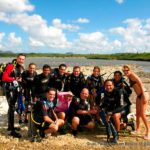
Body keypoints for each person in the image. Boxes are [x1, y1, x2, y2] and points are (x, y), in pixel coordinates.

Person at [122, 65, 150, 139]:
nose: (125, 72)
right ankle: (138, 130)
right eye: (124, 71)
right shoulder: (129, 76)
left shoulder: (133, 75)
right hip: (139, 96)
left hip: (143, 94)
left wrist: (143, 95)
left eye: (127, 70)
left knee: (143, 114)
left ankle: (148, 132)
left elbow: (140, 84)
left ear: (130, 70)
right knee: (137, 114)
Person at [2, 53, 26, 138]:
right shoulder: (10, 66)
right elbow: (4, 78)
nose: (21, 60)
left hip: (15, 89)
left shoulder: (21, 67)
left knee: (11, 107)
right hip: (9, 89)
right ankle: (11, 130)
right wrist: (14, 79)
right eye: (20, 58)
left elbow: (20, 78)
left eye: (23, 59)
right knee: (11, 107)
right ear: (17, 58)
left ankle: (10, 127)